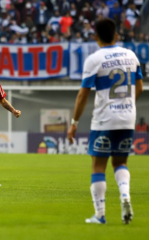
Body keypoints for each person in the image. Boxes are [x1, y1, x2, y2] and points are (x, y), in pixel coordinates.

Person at [67, 18, 143, 225]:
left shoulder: (94, 59)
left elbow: (83, 95)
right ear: (116, 35)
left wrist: (74, 122)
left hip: (104, 119)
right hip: (128, 118)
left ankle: (100, 215)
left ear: (96, 37)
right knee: (121, 162)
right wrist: (128, 105)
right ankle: (125, 196)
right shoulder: (131, 55)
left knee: (98, 166)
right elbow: (140, 87)